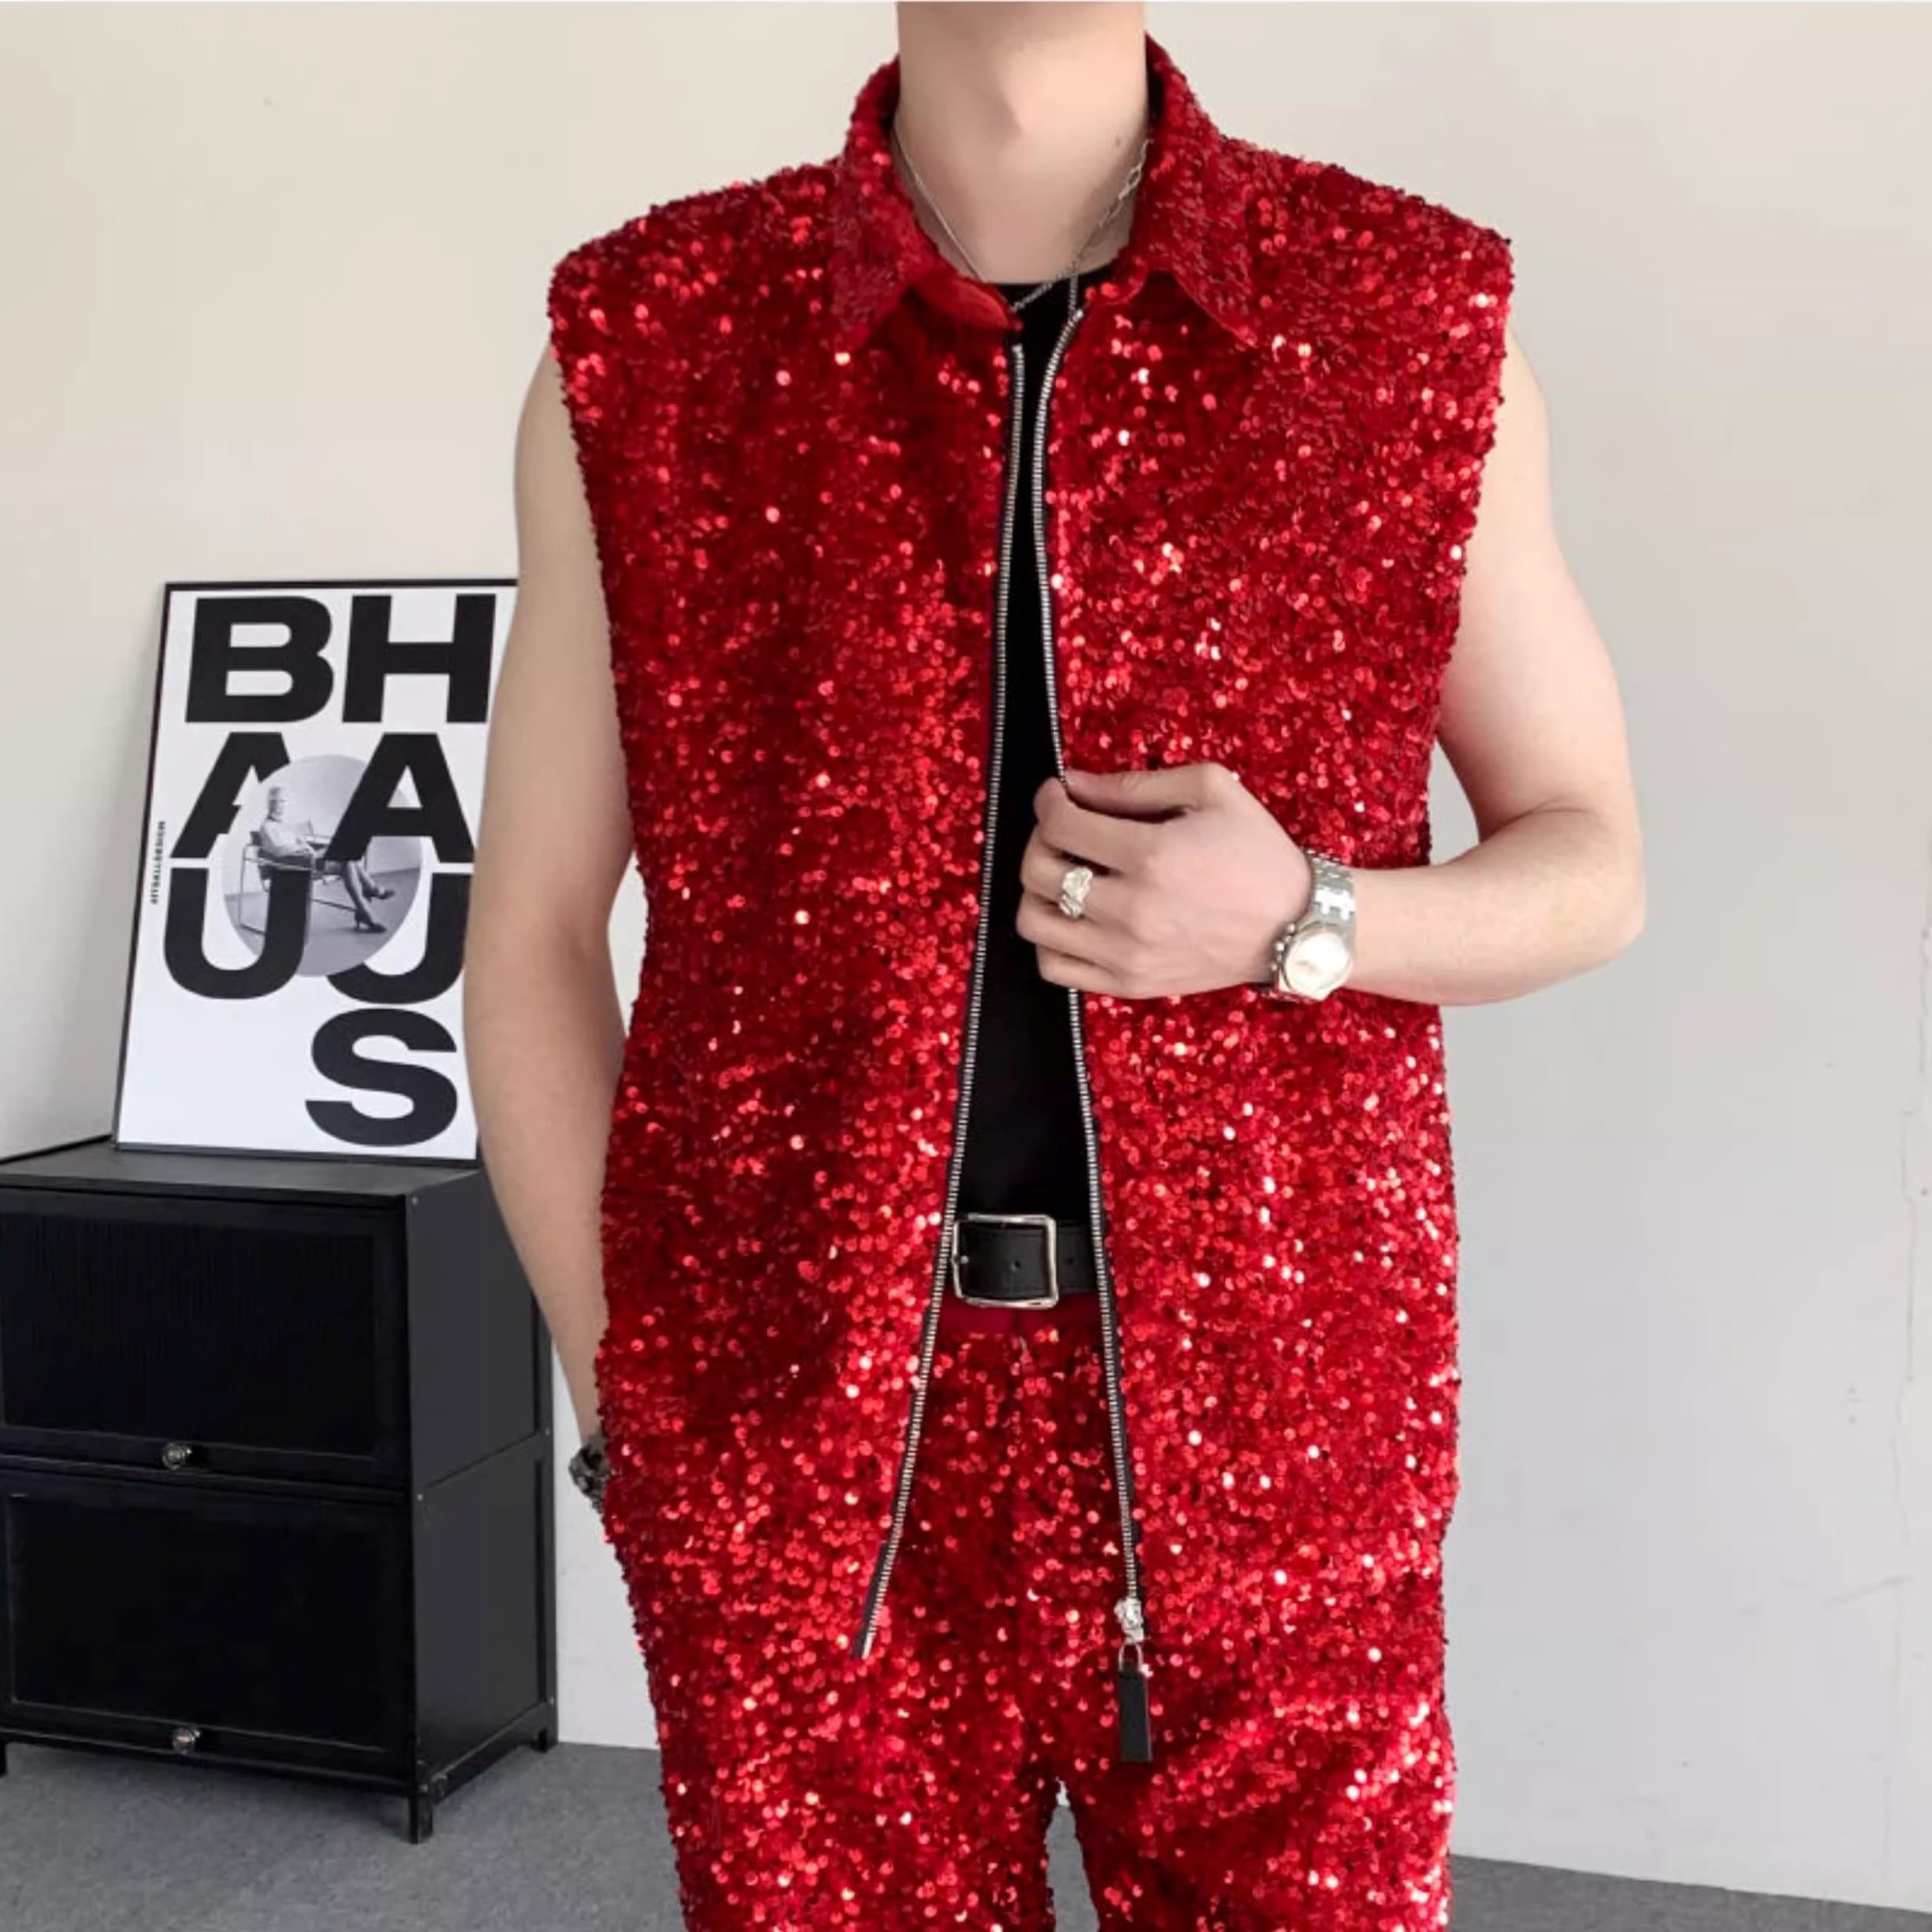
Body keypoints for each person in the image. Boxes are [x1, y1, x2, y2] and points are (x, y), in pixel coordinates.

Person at [466, 7, 1645, 1927]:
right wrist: (647, 1421)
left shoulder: (1403, 317)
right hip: (794, 1448)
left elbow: (1588, 860)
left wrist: (1305, 916)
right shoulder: (656, 340)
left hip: (1280, 1439)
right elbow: (527, 928)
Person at [254, 782, 392, 934]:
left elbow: (299, 841)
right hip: (294, 866)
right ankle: (370, 894)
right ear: (269, 804)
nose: (279, 805)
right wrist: (306, 850)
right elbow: (279, 851)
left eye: (282, 801)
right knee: (348, 861)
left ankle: (366, 906)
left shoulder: (285, 823)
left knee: (348, 858)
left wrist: (311, 849)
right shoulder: (267, 827)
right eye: (275, 801)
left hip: (306, 859)